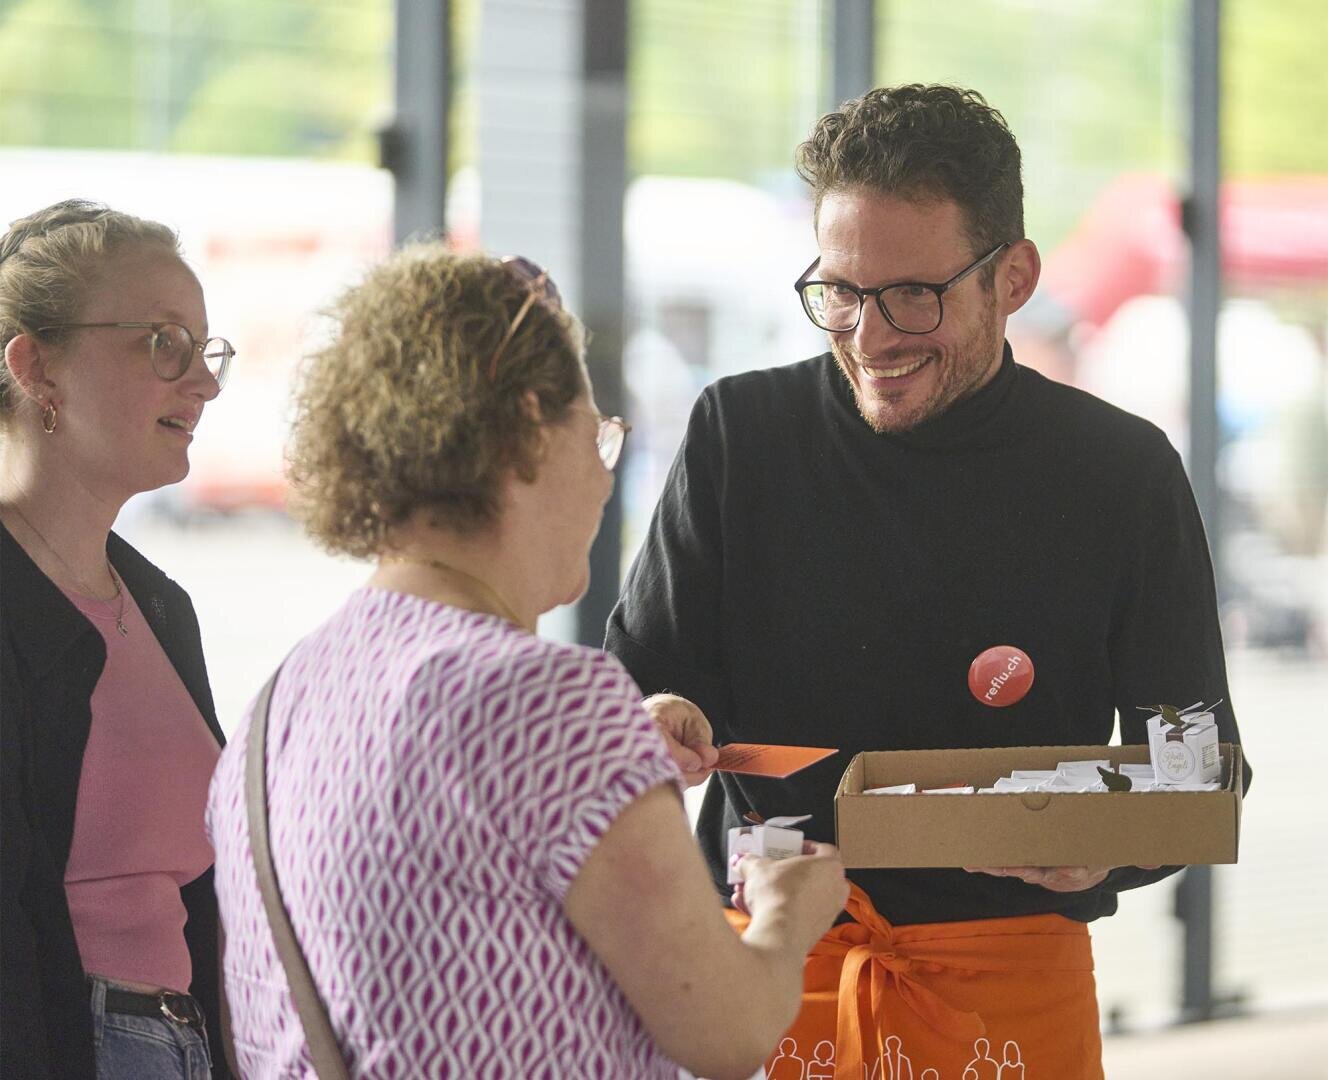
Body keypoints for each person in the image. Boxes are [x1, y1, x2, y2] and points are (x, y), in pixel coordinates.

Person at [606, 84, 1251, 1078]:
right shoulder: (740, 436)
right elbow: (638, 684)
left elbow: (1198, 764)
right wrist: (659, 717)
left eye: (913, 294)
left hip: (1009, 979)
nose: (870, 337)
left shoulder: (1117, 473)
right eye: (839, 292)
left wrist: (1110, 847)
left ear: (1013, 277)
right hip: (765, 973)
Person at [205, 245, 848, 1079]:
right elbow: (729, 1030)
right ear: (528, 433)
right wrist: (787, 911)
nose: (604, 483)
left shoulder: (280, 704)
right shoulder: (546, 701)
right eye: (599, 438)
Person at [0, 200, 235, 1078]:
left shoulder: (161, 605)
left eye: (205, 350)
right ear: (36, 368)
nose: (203, 383)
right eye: (164, 343)